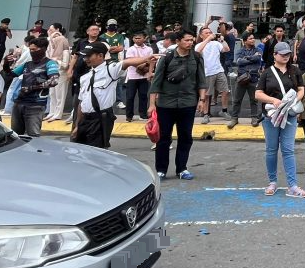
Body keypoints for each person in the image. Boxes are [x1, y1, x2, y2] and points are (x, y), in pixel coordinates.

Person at [148, 29, 207, 180]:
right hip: (165, 104)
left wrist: (201, 100)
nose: (190, 43)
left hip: (188, 103)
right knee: (163, 138)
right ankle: (161, 170)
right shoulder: (166, 58)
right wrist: (152, 104)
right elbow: (156, 82)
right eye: (187, 40)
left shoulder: (197, 57)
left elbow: (201, 81)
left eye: (191, 40)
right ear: (178, 41)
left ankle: (182, 169)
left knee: (185, 137)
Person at [74, 42, 154, 148]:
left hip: (100, 118)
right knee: (80, 150)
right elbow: (81, 103)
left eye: (89, 56)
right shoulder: (85, 77)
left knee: (98, 151)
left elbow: (127, 62)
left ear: (100, 56)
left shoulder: (110, 70)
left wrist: (146, 59)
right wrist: (77, 126)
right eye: (85, 56)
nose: (86, 59)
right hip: (84, 120)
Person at [255, 41, 305, 198]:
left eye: (288, 54)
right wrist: (273, 100)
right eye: (282, 54)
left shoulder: (295, 70)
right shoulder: (267, 73)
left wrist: (294, 101)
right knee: (271, 150)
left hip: (289, 115)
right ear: (274, 55)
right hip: (271, 116)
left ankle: (292, 185)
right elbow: (258, 94)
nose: (285, 56)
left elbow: (301, 89)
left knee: (288, 150)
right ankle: (272, 182)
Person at [9, 37, 58, 137]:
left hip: (35, 105)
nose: (32, 52)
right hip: (19, 102)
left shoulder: (50, 63)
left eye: (34, 49)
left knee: (33, 136)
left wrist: (32, 88)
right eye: (30, 49)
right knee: (15, 136)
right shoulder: (27, 64)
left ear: (43, 49)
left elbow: (54, 81)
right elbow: (10, 75)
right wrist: (7, 63)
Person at [195, 25, 231, 123]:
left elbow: (226, 49)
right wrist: (207, 39)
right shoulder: (199, 45)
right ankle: (206, 114)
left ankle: (224, 110)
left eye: (210, 32)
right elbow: (197, 52)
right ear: (201, 35)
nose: (209, 34)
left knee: (225, 91)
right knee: (207, 94)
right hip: (207, 72)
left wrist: (222, 40)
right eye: (206, 33)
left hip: (219, 70)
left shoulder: (216, 43)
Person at [229, 32, 263, 128]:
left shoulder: (258, 50)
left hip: (253, 78)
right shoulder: (239, 50)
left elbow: (258, 58)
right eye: (250, 38)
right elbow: (238, 61)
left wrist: (246, 58)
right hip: (242, 78)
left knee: (254, 100)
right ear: (244, 41)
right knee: (237, 100)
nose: (253, 40)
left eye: (253, 38)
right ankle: (234, 118)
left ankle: (254, 118)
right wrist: (251, 59)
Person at [43, 23, 71, 122]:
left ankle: (58, 113)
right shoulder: (52, 50)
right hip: (52, 72)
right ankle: (52, 112)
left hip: (61, 73)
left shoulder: (65, 50)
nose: (53, 41)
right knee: (52, 93)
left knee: (60, 94)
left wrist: (56, 61)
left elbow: (65, 65)